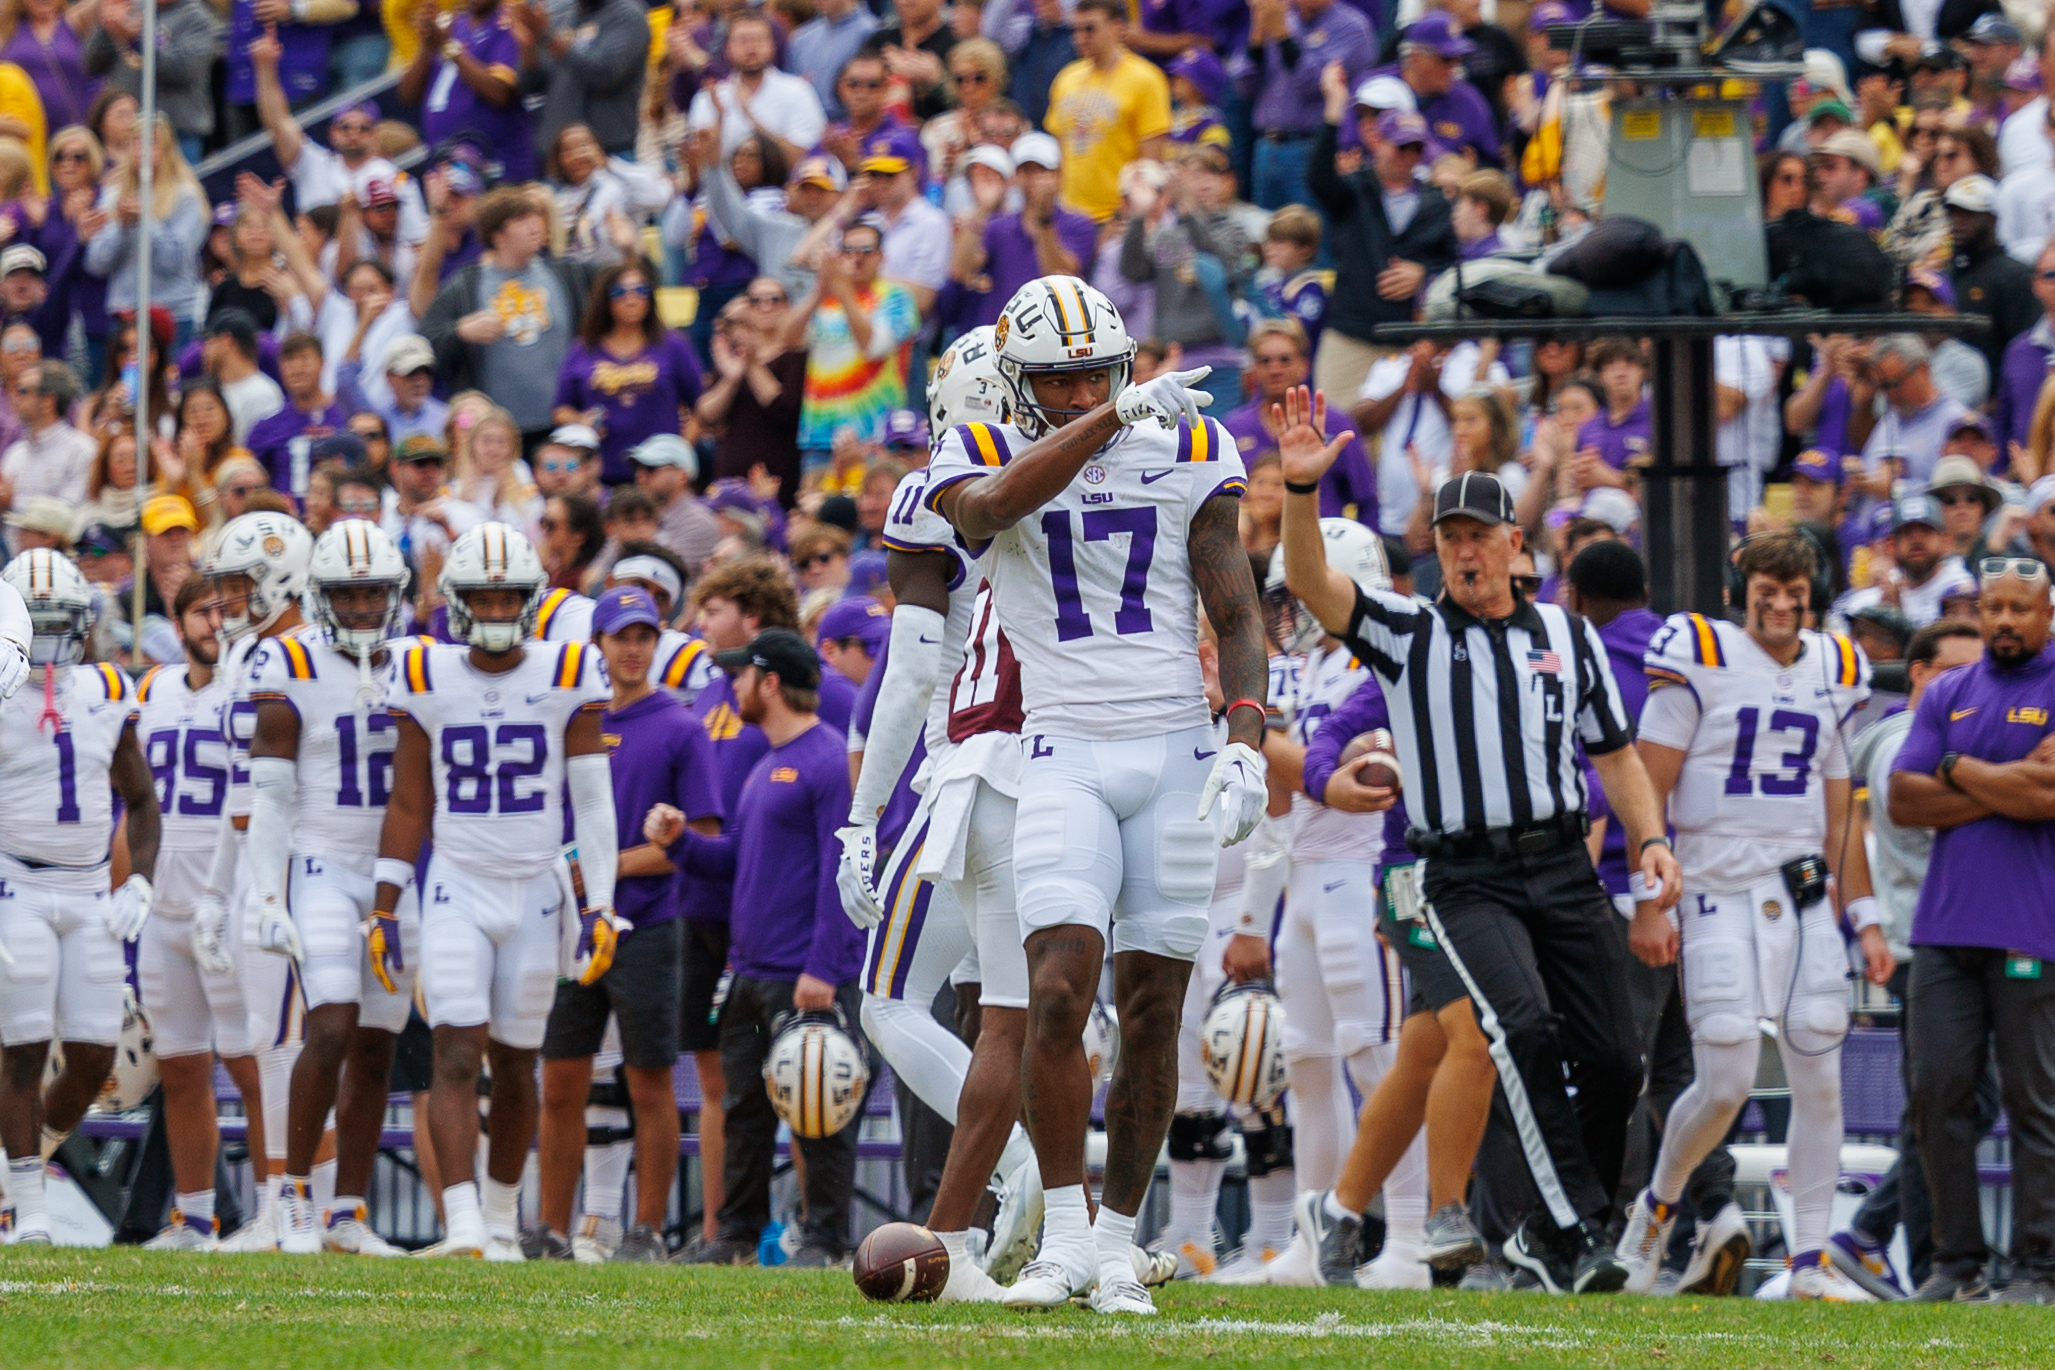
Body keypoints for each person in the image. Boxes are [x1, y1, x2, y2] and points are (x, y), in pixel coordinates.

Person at [1279, 405, 1682, 1294]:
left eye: (1479, 535)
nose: (1463, 550)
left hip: (1563, 864)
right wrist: (1302, 487)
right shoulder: (1405, 633)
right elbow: (1309, 581)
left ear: (1513, 543)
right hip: (1462, 876)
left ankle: (1534, 1227)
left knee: (1617, 1059)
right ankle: (1569, 1230)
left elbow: (1614, 754)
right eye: (1448, 535)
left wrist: (1650, 838)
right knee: (1512, 1028)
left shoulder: (1567, 639)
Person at [925, 277, 1267, 1314]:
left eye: (1096, 375)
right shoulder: (977, 444)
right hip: (1059, 751)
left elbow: (1239, 610)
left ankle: (1119, 1243)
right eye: (1058, 379)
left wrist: (1245, 739)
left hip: (1170, 748)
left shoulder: (1192, 447)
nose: (1079, 392)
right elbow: (986, 511)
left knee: (1157, 1007)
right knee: (1057, 992)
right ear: (1018, 385)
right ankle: (1065, 1238)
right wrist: (1114, 417)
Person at [1614, 532, 1891, 1300]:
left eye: (1792, 588)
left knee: (1819, 1072)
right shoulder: (1698, 652)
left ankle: (1808, 1264)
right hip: (1710, 883)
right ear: (1742, 590)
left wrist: (1863, 915)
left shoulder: (1835, 665)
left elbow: (1840, 812)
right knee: (1728, 1072)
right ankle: (1658, 1208)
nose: (1779, 602)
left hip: (1800, 888)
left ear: (1810, 592)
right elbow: (1650, 784)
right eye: (1765, 587)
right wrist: (1648, 900)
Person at [373, 522, 618, 1259]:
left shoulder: (568, 667)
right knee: (454, 1047)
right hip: (457, 882)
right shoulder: (425, 672)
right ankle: (463, 1226)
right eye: (480, 594)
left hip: (537, 886)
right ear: (453, 600)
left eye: (508, 594)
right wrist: (385, 903)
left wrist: (601, 903)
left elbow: (593, 799)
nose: (494, 606)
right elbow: (409, 802)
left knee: (516, 1060)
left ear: (533, 598)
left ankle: (503, 1221)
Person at [653, 627, 864, 1266]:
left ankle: (824, 1237)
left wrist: (824, 967)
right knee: (745, 1109)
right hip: (748, 970)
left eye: (741, 675)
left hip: (801, 974)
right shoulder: (766, 762)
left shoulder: (827, 763)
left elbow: (842, 872)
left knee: (816, 1108)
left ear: (770, 682)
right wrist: (681, 843)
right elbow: (737, 859)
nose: (731, 686)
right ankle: (736, 1234)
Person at [242, 521, 415, 1256]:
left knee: (378, 1042)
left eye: (375, 590)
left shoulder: (422, 661)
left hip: (394, 871)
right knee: (333, 1022)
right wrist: (266, 893)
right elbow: (272, 796)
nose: (364, 605)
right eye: (349, 593)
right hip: (321, 858)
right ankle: (292, 1192)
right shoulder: (286, 661)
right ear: (321, 597)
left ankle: (347, 1210)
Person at [535, 586, 722, 1262]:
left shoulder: (679, 726)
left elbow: (695, 837)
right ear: (600, 644)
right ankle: (550, 1230)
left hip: (646, 924)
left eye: (644, 635)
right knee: (559, 1080)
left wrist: (599, 870)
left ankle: (644, 1231)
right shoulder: (569, 719)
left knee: (648, 1078)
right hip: (571, 926)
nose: (634, 648)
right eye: (622, 636)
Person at [1888, 558, 2055, 1302]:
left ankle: (2037, 1266)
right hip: (1942, 930)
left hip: (2032, 928)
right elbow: (1901, 798)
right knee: (1936, 1091)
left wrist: (1953, 766)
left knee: (2033, 1102)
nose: (2005, 622)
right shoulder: (1949, 689)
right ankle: (1955, 1263)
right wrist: (2004, 781)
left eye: (2020, 609)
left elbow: (2045, 797)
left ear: (2046, 615)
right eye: (1993, 608)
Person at [1832, 617, 1987, 1298]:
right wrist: (2007, 785)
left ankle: (1888, 1243)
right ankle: (1903, 1248)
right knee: (1948, 1102)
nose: (1970, 688)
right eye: (1955, 673)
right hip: (1921, 944)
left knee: (1941, 1102)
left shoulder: (1926, 735)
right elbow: (1899, 812)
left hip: (1949, 939)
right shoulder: (1900, 738)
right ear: (1919, 674)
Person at [0, 549, 152, 1243]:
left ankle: (18, 1169)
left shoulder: (109, 689)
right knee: (24, 1045)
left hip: (90, 887)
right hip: (17, 882)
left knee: (94, 1056)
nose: (50, 639)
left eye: (58, 623)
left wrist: (141, 879)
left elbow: (142, 801)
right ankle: (28, 1210)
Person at [132, 580, 260, 1251]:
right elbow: (129, 795)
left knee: (248, 1063)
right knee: (180, 1066)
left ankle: (276, 1209)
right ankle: (196, 1215)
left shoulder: (249, 685)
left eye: (223, 609)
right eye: (200, 611)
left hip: (228, 898)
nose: (214, 622)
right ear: (176, 622)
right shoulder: (151, 690)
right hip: (164, 903)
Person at [1310, 77, 1458, 413]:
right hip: (1351, 335)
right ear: (1380, 143)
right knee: (1333, 426)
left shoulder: (1439, 204)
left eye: (1417, 148)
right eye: (1400, 146)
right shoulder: (1353, 191)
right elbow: (1317, 177)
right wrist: (1333, 109)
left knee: (1399, 447)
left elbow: (1457, 264)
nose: (1409, 156)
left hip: (1408, 342)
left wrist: (1424, 273)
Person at [421, 187, 596, 450]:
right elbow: (426, 339)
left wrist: (629, 251)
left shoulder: (569, 274)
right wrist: (461, 331)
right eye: (522, 220)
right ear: (498, 235)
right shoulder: (466, 284)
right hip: (497, 435)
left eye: (536, 217)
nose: (535, 226)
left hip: (563, 424)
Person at [552, 260, 704, 488]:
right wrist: (580, 421)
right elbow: (560, 410)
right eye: (619, 292)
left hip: (660, 475)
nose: (631, 299)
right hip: (600, 474)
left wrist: (680, 451)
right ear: (604, 299)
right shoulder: (583, 349)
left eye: (641, 291)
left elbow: (701, 407)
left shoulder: (673, 344)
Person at [783, 220, 920, 464]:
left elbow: (873, 347)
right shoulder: (826, 297)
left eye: (866, 251)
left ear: (881, 256)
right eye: (848, 251)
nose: (856, 259)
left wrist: (843, 291)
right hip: (820, 434)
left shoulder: (897, 297)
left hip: (873, 438)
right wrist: (818, 293)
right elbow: (788, 340)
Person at [1044, 0, 1171, 221]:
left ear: (1116, 27)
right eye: (1075, 29)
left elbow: (1152, 163)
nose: (1080, 37)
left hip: (1121, 216)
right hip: (1071, 216)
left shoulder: (1145, 79)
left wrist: (1128, 217)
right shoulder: (1066, 79)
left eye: (1090, 28)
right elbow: (1059, 154)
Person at [83, 116, 210, 335]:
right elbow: (96, 263)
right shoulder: (113, 195)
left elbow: (173, 260)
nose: (142, 149)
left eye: (151, 142)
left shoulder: (187, 197)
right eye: (136, 142)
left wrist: (146, 221)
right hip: (125, 316)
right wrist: (121, 227)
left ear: (167, 148)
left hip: (174, 314)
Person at [1247, 0, 1377, 211]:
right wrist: (1257, 36)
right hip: (1266, 146)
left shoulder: (1352, 27)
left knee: (1311, 232)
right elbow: (1244, 86)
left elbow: (1313, 84)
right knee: (1268, 234)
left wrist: (1283, 36)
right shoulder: (1281, 17)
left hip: (1311, 149)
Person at [399, 0, 537, 187]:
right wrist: (427, 46)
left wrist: (450, 47)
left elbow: (500, 93)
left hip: (496, 168)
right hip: (445, 169)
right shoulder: (452, 24)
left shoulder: (507, 22)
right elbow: (407, 95)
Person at [519, 0, 650, 160]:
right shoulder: (562, 18)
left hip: (608, 153)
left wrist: (548, 37)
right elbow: (530, 87)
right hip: (558, 157)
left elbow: (604, 75)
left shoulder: (627, 16)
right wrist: (529, 45)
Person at [1838, 495, 1978, 630]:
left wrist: (1894, 616)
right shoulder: (1886, 587)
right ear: (1892, 546)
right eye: (1907, 533)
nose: (1916, 540)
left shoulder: (1959, 589)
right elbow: (1841, 619)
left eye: (1925, 531)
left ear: (1946, 542)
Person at [245, 333, 347, 502]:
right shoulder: (267, 427)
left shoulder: (344, 413)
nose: (297, 368)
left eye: (304, 359)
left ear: (322, 363)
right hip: (285, 520)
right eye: (289, 360)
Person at [0, 359, 93, 512]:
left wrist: (12, 501)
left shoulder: (81, 451)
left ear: (48, 402)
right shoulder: (15, 453)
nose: (15, 397)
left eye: (23, 391)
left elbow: (68, 511)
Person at [340, 333, 448, 451]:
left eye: (427, 372)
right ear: (389, 376)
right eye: (411, 373)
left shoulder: (445, 419)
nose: (420, 382)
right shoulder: (377, 416)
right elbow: (344, 381)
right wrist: (365, 324)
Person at [200, 311, 285, 445]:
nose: (204, 351)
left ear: (227, 341)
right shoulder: (212, 390)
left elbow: (262, 448)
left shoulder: (261, 393)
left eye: (209, 341)